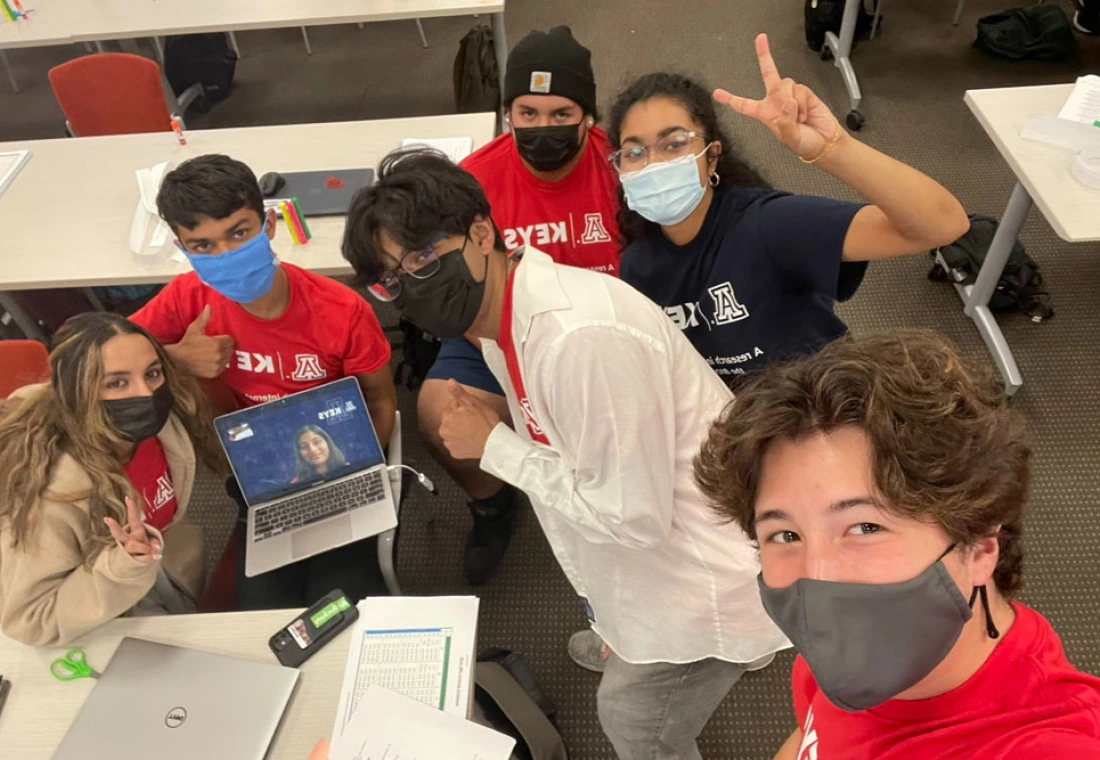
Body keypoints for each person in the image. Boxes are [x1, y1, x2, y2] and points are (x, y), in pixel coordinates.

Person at [342, 150, 789, 760]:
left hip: (702, 575)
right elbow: (583, 460)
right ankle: (624, 634)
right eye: (391, 279)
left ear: (481, 232)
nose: (409, 287)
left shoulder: (580, 343)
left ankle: (681, 654)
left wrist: (493, 447)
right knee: (623, 645)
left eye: (422, 257)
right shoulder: (502, 315)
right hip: (655, 522)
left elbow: (635, 518)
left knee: (633, 719)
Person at [694, 329, 1100, 759]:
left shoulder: (1050, 743)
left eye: (866, 527)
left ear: (980, 547)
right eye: (786, 535)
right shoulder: (853, 652)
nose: (817, 577)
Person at [609, 35, 970, 388]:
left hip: (814, 410)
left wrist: (834, 148)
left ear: (712, 156)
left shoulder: (767, 226)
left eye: (674, 144)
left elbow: (942, 223)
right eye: (635, 153)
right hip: (728, 422)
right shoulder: (639, 265)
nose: (653, 165)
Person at [131, 154, 397, 610]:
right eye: (203, 246)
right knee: (262, 615)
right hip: (257, 480)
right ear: (182, 246)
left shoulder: (340, 310)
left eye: (239, 233)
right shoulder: (186, 299)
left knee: (341, 604)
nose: (227, 256)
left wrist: (353, 475)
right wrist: (174, 358)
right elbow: (88, 362)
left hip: (340, 468)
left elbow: (380, 402)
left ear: (269, 224)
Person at [419, 26, 623, 586]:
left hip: (606, 334)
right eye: (526, 113)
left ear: (588, 114)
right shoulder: (475, 181)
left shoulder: (622, 168)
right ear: (507, 113)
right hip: (498, 334)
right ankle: (493, 505)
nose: (542, 128)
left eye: (561, 114)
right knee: (439, 414)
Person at [0, 313, 225, 646]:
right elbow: (33, 621)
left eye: (152, 373)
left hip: (138, 575)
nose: (144, 393)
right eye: (117, 383)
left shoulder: (161, 428)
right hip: (59, 628)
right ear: (78, 391)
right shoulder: (49, 492)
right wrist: (122, 567)